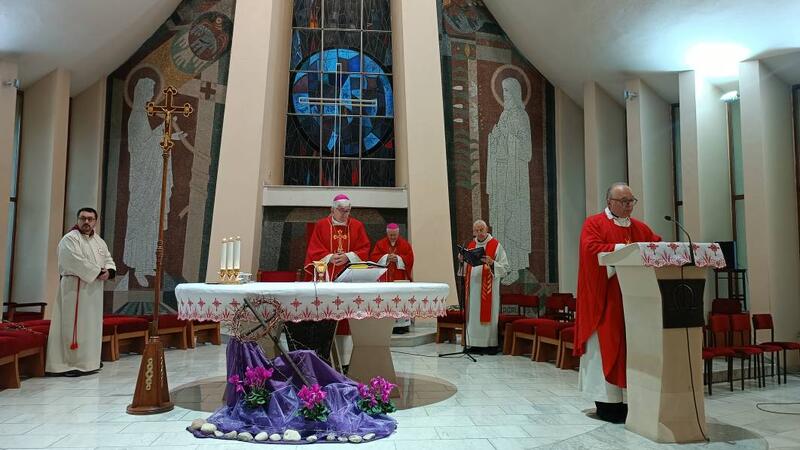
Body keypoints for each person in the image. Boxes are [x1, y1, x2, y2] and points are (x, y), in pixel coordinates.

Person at [573, 182, 661, 423]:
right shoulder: (594, 223)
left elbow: (655, 246)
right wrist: (624, 249)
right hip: (605, 301)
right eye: (623, 201)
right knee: (605, 347)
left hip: (635, 304)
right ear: (609, 202)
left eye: (631, 201)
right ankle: (607, 404)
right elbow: (590, 250)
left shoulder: (640, 228)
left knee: (633, 349)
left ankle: (633, 401)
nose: (628, 205)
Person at [46, 207, 116, 377]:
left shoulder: (99, 241)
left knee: (91, 325)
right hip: (74, 289)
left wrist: (109, 271)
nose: (86, 222)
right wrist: (98, 272)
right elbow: (74, 261)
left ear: (95, 222)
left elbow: (108, 259)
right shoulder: (69, 239)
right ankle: (69, 364)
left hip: (94, 290)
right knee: (72, 326)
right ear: (77, 220)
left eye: (90, 219)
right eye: (83, 218)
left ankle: (89, 361)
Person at [487, 77, 532, 286]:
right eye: (502, 91)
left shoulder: (522, 116)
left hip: (515, 179)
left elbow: (527, 151)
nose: (504, 95)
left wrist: (510, 136)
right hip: (502, 175)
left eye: (507, 91)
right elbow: (499, 142)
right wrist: (495, 138)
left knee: (513, 221)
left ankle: (514, 266)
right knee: (502, 218)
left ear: (514, 93)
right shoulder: (504, 115)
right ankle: (503, 266)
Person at [461, 219, 509, 354]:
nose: (479, 233)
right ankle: (473, 344)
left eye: (481, 230)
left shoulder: (495, 245)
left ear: (487, 229)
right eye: (476, 230)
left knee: (487, 316)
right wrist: (462, 259)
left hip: (488, 289)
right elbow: (466, 267)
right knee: (473, 316)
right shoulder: (471, 245)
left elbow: (505, 268)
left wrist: (492, 263)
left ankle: (489, 345)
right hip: (473, 288)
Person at [304, 194, 371, 281]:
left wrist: (348, 257)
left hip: (351, 274)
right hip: (327, 272)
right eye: (341, 210)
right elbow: (314, 249)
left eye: (347, 211)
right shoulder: (321, 225)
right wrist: (330, 257)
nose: (344, 214)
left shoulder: (357, 226)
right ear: (332, 210)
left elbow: (364, 248)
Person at [370, 223, 415, 334]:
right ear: (387, 233)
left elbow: (410, 258)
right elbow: (373, 257)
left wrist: (399, 259)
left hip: (399, 278)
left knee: (400, 300)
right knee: (386, 301)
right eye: (391, 235)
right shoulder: (380, 244)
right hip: (385, 278)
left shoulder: (405, 244)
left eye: (395, 235)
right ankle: (385, 325)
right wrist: (386, 257)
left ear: (398, 233)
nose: (393, 237)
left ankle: (402, 326)